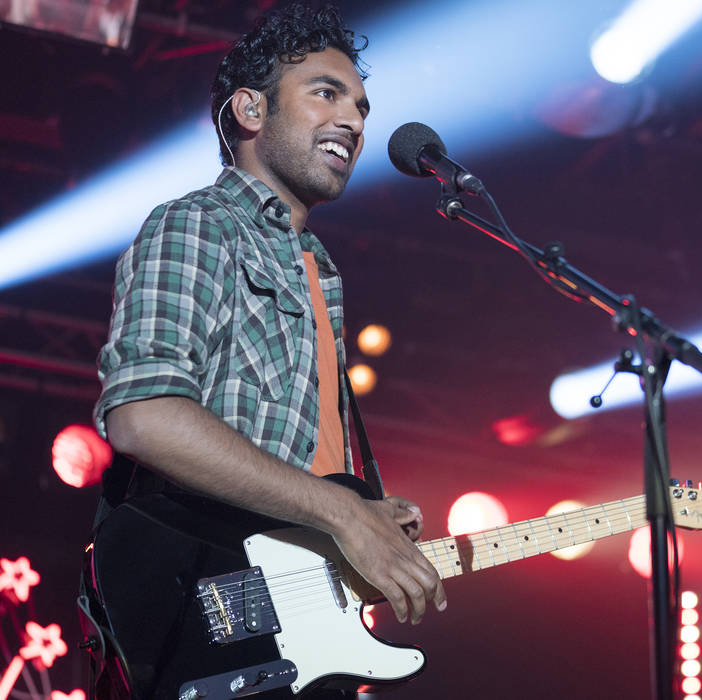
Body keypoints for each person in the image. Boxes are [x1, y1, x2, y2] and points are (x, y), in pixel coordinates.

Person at [90, 3, 445, 696]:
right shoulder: (198, 226)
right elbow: (144, 414)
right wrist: (341, 512)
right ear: (250, 111)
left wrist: (362, 511)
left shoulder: (319, 268)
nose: (354, 120)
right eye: (326, 93)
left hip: (293, 638)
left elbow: (297, 472)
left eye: (362, 107)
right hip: (208, 625)